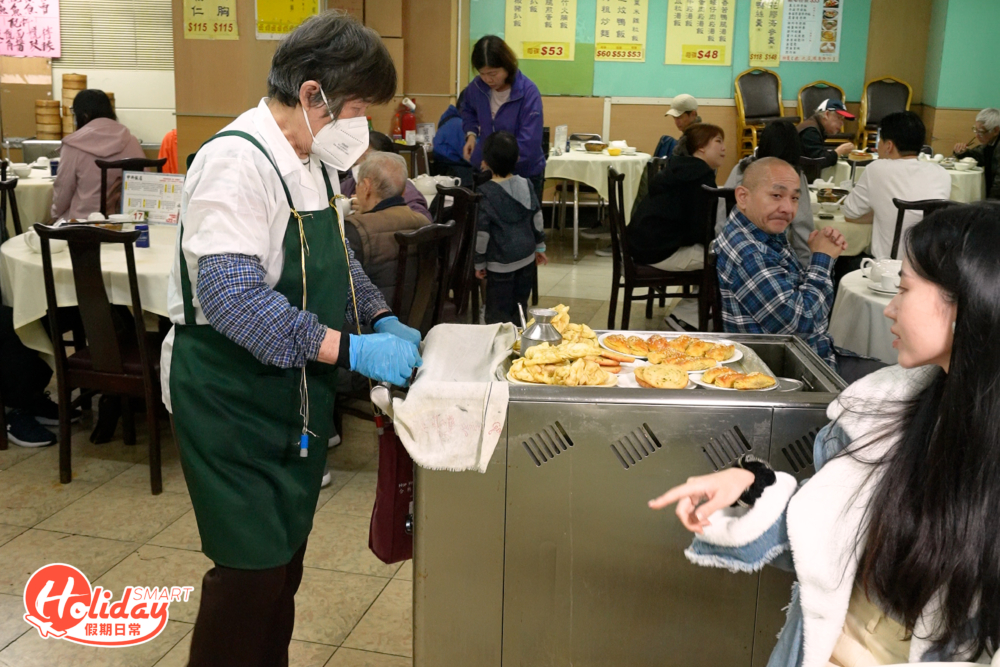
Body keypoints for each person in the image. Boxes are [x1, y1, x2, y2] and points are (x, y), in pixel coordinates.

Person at [160, 13, 422, 666]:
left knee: (282, 567)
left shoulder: (306, 161)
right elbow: (231, 299)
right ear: (313, 95)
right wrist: (351, 350)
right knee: (249, 577)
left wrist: (380, 315)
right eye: (356, 107)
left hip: (288, 391)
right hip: (229, 396)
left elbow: (338, 255)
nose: (360, 125)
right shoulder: (234, 162)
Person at [651, 203, 1000, 667]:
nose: (891, 308)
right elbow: (836, 536)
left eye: (906, 289)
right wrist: (753, 485)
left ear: (967, 305)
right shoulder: (892, 410)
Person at [841, 111, 951, 259]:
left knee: (844, 260)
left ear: (889, 146)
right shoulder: (942, 173)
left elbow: (850, 213)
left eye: (880, 140)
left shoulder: (877, 169)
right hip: (928, 266)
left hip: (887, 267)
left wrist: (878, 214)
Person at [626, 124, 725, 271]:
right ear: (701, 147)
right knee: (729, 259)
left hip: (639, 246)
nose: (724, 148)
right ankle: (705, 293)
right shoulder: (700, 175)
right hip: (659, 253)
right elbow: (702, 230)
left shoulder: (678, 167)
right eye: (718, 141)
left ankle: (701, 292)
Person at [473, 131, 547, 325]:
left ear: (486, 161)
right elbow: (536, 217)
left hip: (500, 264)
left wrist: (479, 262)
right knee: (521, 306)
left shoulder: (485, 193)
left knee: (497, 312)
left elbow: (482, 234)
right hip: (526, 259)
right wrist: (540, 246)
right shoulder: (527, 184)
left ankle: (501, 346)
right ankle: (520, 342)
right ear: (517, 158)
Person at [718, 121, 813, 267]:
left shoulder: (741, 168)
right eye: (776, 195)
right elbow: (802, 228)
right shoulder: (793, 177)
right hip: (767, 257)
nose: (787, 207)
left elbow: (720, 218)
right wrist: (809, 266)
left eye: (794, 198)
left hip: (726, 250)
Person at [461, 35, 546, 200]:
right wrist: (471, 134)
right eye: (482, 73)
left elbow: (529, 141)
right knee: (485, 222)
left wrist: (496, 165)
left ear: (507, 66)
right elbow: (467, 109)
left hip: (523, 173)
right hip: (486, 171)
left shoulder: (528, 92)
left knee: (522, 224)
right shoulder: (477, 87)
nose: (488, 79)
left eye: (493, 73)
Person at [343, 151, 431, 306]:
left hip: (372, 323)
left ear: (367, 187)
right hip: (419, 319)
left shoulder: (356, 229)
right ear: (403, 190)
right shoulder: (424, 222)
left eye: (358, 184)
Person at [50, 89, 144, 220]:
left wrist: (54, 215)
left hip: (83, 226)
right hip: (126, 224)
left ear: (84, 115)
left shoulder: (73, 146)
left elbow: (62, 192)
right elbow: (144, 184)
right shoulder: (131, 140)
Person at [340, 130, 432, 221]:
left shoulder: (401, 186)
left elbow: (423, 224)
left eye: (366, 160)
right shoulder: (347, 186)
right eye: (355, 163)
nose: (361, 167)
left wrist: (373, 211)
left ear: (387, 161)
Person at [954, 107, 1000, 200]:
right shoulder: (990, 142)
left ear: (996, 130)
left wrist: (990, 203)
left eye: (981, 132)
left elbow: (998, 184)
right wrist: (962, 152)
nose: (977, 135)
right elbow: (978, 156)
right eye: (976, 130)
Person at [796, 98, 856, 169]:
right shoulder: (810, 131)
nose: (842, 123)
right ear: (827, 114)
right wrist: (838, 152)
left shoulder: (813, 126)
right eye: (839, 118)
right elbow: (818, 162)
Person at [431, 90, 473, 187]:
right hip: (454, 177)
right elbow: (473, 156)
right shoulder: (458, 125)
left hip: (451, 172)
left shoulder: (451, 120)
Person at [653, 93, 701, 159]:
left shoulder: (700, 141)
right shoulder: (689, 135)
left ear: (693, 114)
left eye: (679, 117)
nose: (676, 122)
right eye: (674, 117)